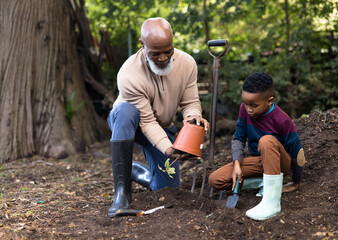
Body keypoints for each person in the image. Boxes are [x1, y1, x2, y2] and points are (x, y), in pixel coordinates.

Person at [107, 17, 209, 217]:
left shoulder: (187, 64)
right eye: (155, 53)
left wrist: (193, 118)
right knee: (127, 111)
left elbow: (190, 102)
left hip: (163, 126)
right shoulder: (129, 74)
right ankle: (122, 195)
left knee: (167, 188)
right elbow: (146, 122)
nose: (163, 58)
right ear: (142, 44)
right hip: (129, 123)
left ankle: (134, 171)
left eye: (168, 51)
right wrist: (168, 148)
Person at [208, 72, 306, 221]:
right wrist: (237, 165)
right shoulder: (244, 110)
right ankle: (263, 184)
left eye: (254, 105)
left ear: (269, 100)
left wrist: (296, 183)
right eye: (246, 103)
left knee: (266, 141)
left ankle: (272, 202)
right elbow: (238, 139)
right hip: (260, 162)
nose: (249, 109)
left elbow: (297, 152)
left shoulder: (282, 119)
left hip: (279, 164)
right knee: (215, 180)